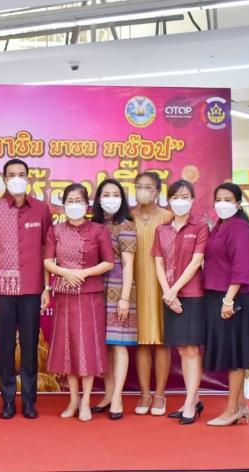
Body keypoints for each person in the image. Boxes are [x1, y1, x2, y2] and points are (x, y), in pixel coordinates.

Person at [0, 158, 52, 420]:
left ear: (28, 178)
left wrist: (47, 287)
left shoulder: (42, 209)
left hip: (33, 289)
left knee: (30, 347)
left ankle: (30, 402)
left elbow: (47, 252)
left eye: (21, 174)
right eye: (11, 175)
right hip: (2, 290)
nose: (16, 179)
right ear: (4, 179)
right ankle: (8, 401)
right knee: (5, 346)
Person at [44, 183, 114, 422]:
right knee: (68, 350)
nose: (74, 205)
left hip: (90, 297)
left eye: (79, 201)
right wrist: (64, 272)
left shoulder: (98, 231)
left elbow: (108, 262)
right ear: (64, 205)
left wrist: (83, 273)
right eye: (70, 201)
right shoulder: (55, 230)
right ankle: (73, 399)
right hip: (64, 297)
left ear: (87, 205)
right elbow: (47, 261)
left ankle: (86, 401)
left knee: (87, 349)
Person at [203, 183, 249, 426]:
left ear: (238, 203)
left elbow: (241, 266)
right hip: (217, 295)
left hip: (234, 298)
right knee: (229, 353)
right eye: (218, 199)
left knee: (235, 355)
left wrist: (228, 299)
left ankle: (232, 409)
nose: (222, 204)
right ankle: (242, 406)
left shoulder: (240, 228)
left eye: (228, 199)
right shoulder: (219, 226)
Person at [152, 179, 209, 425]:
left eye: (185, 197)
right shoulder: (162, 229)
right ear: (168, 200)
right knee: (182, 350)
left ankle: (190, 402)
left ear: (192, 200)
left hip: (192, 295)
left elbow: (197, 261)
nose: (180, 201)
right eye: (175, 197)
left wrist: (174, 290)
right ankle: (192, 399)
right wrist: (167, 292)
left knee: (192, 350)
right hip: (170, 296)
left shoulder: (200, 227)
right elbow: (158, 262)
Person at [90, 179, 136, 420]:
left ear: (122, 199)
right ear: (98, 199)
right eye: (106, 194)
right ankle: (108, 394)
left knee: (119, 344)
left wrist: (125, 298)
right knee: (104, 345)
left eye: (115, 194)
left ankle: (118, 397)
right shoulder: (93, 226)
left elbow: (128, 265)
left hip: (119, 291)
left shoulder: (126, 226)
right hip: (96, 290)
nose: (110, 199)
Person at [131, 171, 173, 416]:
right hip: (134, 285)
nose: (142, 191)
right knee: (142, 341)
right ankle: (145, 393)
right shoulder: (128, 217)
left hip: (162, 286)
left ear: (157, 191)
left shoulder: (168, 217)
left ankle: (160, 394)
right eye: (139, 186)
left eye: (148, 187)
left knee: (161, 340)